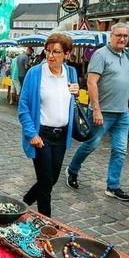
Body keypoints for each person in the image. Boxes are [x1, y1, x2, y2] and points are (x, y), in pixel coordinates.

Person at [66, 22, 129, 201]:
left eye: (125, 36)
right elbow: (91, 83)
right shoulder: (100, 55)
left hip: (122, 113)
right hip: (102, 112)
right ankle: (72, 170)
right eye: (118, 35)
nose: (122, 39)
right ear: (110, 36)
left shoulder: (128, 55)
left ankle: (113, 186)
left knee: (120, 150)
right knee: (91, 144)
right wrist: (96, 110)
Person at [18, 33, 79, 217]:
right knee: (45, 182)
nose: (51, 56)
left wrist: (77, 92)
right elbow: (23, 106)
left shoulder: (71, 73)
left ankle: (23, 202)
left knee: (52, 179)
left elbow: (71, 102)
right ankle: (47, 223)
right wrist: (31, 134)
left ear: (66, 54)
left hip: (61, 136)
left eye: (56, 52)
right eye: (48, 51)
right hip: (41, 135)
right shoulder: (35, 73)